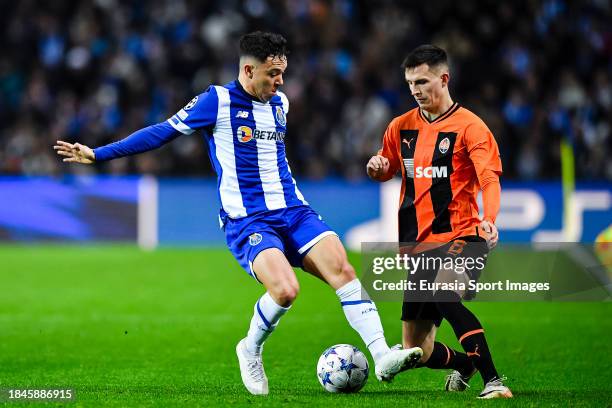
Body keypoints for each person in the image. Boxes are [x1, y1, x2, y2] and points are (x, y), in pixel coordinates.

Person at [54, 31, 422, 396]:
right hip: (247, 219)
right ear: (248, 70)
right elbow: (161, 132)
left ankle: (381, 354)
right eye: (272, 74)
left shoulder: (281, 104)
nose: (280, 82)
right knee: (285, 290)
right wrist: (99, 154)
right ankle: (250, 348)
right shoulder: (215, 101)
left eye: (282, 73)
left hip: (293, 208)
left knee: (342, 269)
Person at [366, 45, 512, 399]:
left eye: (422, 81)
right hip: (419, 246)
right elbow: (387, 167)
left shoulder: (471, 128)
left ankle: (494, 382)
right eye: (410, 83)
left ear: (443, 79)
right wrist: (378, 169)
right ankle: (464, 364)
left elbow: (489, 179)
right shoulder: (400, 127)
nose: (415, 90)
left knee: (444, 292)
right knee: (416, 349)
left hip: (464, 234)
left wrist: (489, 220)